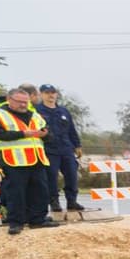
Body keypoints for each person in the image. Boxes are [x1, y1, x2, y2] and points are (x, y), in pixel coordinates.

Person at [0, 88, 58, 235]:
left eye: (26, 102)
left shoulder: (34, 115)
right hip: (13, 160)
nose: (23, 105)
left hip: (37, 159)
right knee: (15, 193)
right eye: (20, 102)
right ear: (9, 100)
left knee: (40, 191)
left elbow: (49, 134)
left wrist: (44, 135)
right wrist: (24, 134)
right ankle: (16, 222)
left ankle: (37, 219)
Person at [35, 84, 85, 214]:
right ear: (41, 94)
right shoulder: (37, 111)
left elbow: (71, 129)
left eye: (53, 92)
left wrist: (77, 145)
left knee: (72, 175)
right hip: (49, 149)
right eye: (47, 93)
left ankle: (72, 201)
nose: (51, 95)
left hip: (66, 148)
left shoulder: (63, 111)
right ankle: (54, 201)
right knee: (51, 177)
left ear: (56, 94)